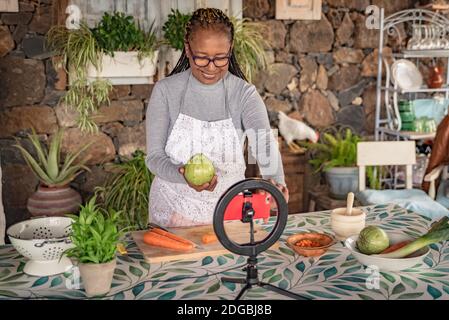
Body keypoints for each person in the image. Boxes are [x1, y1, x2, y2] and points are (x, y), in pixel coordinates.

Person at [145, 8, 288, 227]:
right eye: (201, 58)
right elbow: (154, 157)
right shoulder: (166, 91)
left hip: (229, 214)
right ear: (187, 49)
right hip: (172, 213)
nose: (211, 68)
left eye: (221, 58)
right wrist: (183, 175)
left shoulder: (244, 94)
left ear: (230, 50)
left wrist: (277, 185)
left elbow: (264, 146)